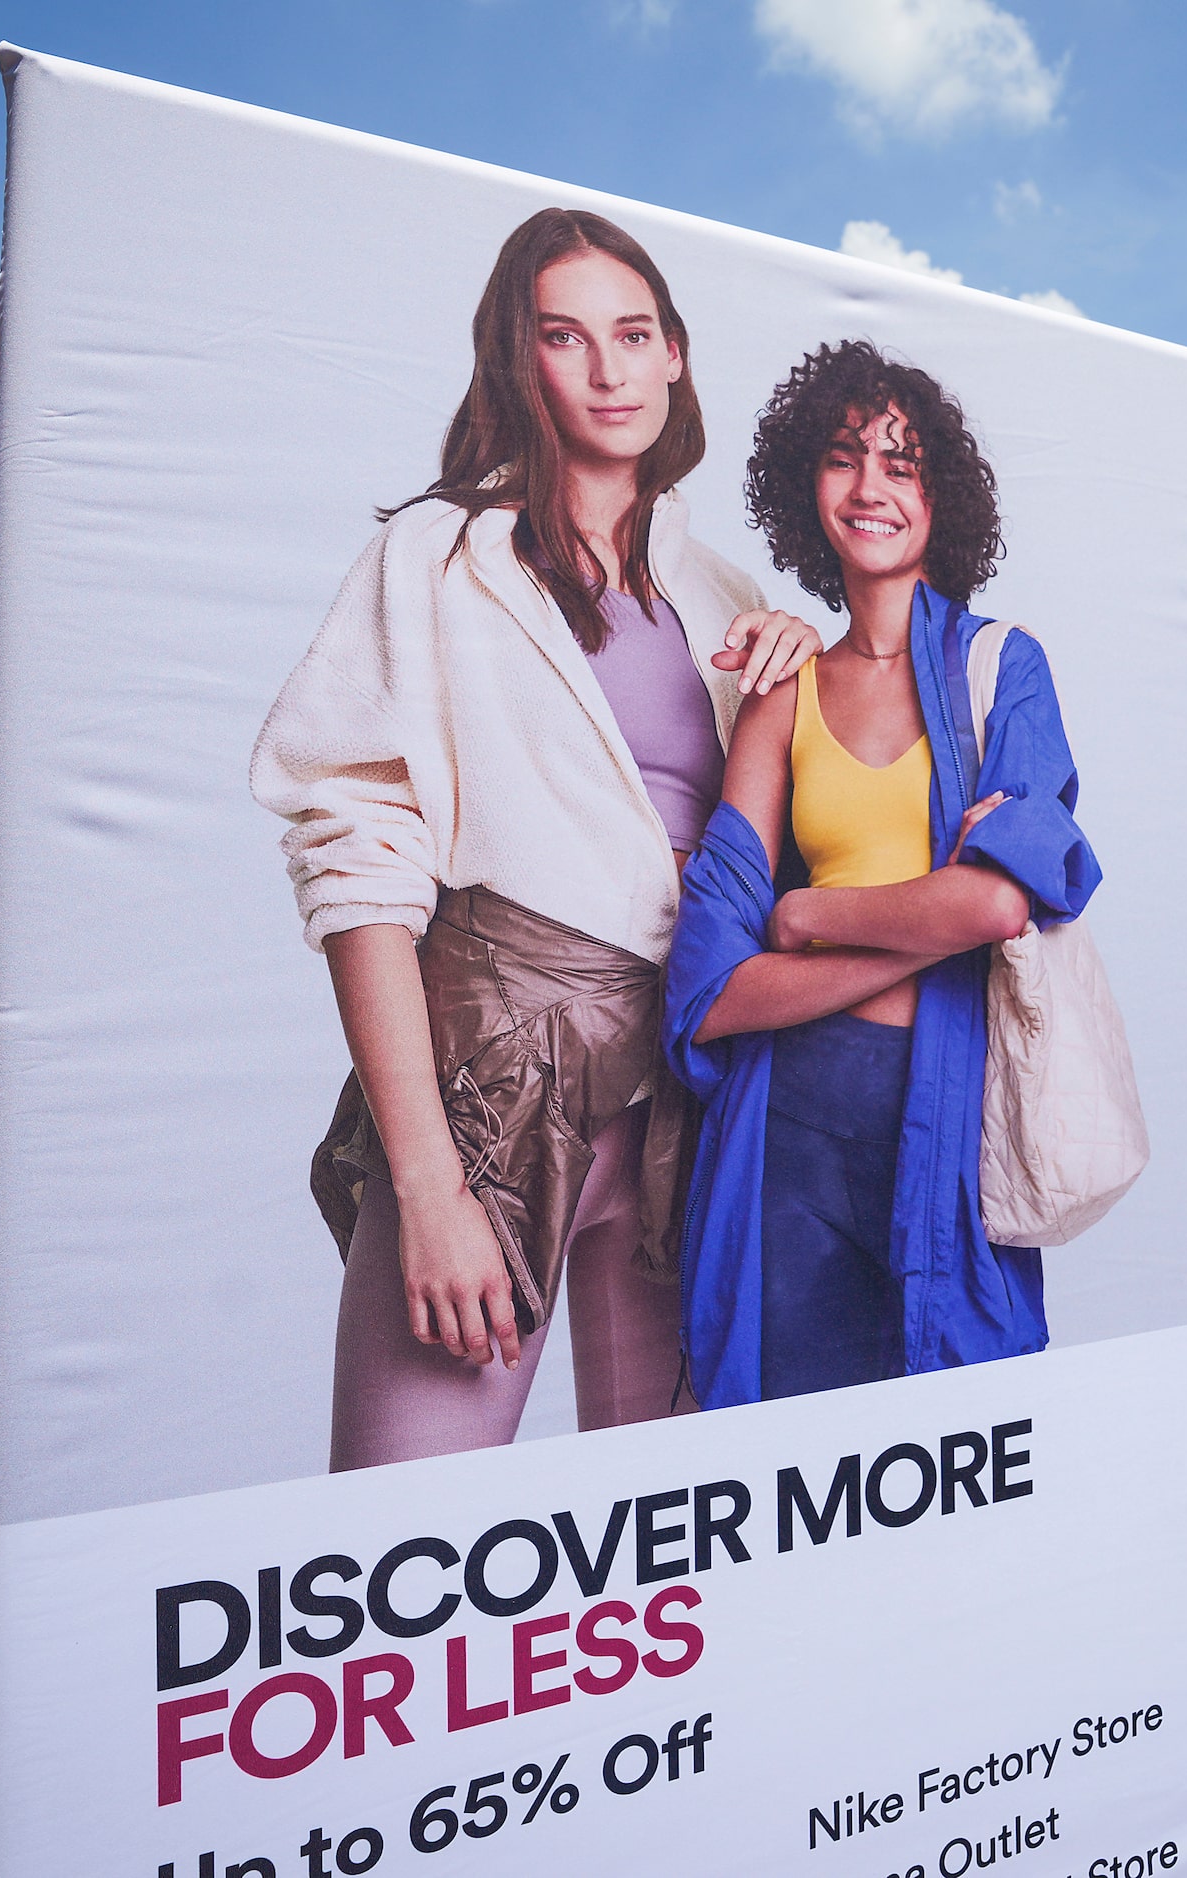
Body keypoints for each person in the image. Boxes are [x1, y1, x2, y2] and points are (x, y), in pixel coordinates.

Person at [251, 207, 823, 1471]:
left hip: (693, 1097)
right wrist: (428, 1188)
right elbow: (356, 872)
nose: (608, 370)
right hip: (495, 1091)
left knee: (673, 1533)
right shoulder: (436, 559)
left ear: (676, 353)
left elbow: (776, 858)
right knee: (404, 1543)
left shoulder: (725, 594)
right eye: (566, 337)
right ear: (521, 357)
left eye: (635, 333)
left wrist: (806, 681)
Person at [664, 341, 1103, 1407]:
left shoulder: (1004, 669)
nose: (870, 488)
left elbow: (1006, 898)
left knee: (953, 1437)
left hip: (948, 1115)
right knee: (783, 1462)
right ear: (803, 484)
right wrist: (919, 925)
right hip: (790, 1132)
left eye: (901, 465)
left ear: (941, 494)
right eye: (845, 457)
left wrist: (810, 914)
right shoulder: (784, 691)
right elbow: (712, 991)